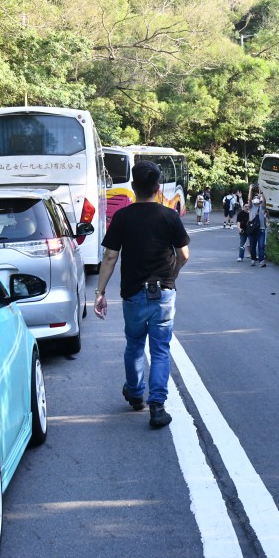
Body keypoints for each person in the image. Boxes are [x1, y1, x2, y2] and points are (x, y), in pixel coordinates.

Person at [95, 161, 191, 429]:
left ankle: (136, 394)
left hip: (133, 294)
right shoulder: (169, 216)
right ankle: (157, 406)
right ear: (158, 187)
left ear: (134, 187)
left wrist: (100, 292)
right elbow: (183, 254)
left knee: (135, 345)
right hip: (163, 293)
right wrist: (173, 273)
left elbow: (110, 256)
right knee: (160, 349)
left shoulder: (123, 218)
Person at [246, 186, 269, 267]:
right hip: (253, 229)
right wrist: (250, 189)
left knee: (261, 245)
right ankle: (253, 259)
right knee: (252, 245)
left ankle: (261, 261)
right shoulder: (251, 207)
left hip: (261, 229)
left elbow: (265, 202)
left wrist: (262, 194)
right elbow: (249, 199)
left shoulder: (262, 207)